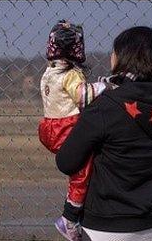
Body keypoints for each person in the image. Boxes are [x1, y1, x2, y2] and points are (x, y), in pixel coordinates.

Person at [56, 26, 152, 241]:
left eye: (114, 52)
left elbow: (66, 162)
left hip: (106, 225)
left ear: (123, 58)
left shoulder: (106, 105)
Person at [38, 20, 112, 241]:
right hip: (66, 127)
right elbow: (83, 97)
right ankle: (69, 219)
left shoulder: (48, 73)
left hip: (49, 128)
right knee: (81, 172)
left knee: (78, 165)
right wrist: (105, 86)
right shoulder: (70, 75)